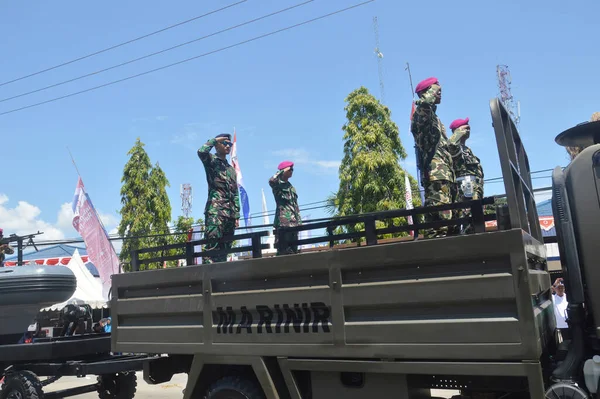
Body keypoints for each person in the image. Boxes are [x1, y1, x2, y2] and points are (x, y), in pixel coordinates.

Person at [410, 77, 457, 238]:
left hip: (445, 176)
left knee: (449, 224)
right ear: (426, 93)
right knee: (440, 226)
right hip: (436, 177)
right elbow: (424, 105)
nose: (439, 92)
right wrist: (431, 91)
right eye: (436, 90)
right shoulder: (421, 114)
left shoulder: (436, 120)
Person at [197, 133, 240, 264]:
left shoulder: (231, 169)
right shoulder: (211, 161)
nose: (228, 146)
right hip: (215, 212)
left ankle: (221, 280)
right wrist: (214, 140)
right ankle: (208, 279)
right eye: (225, 143)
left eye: (230, 144)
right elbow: (201, 151)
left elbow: (235, 193)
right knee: (211, 248)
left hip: (230, 215)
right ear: (217, 146)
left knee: (225, 251)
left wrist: (236, 215)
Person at [448, 117, 484, 234]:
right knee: (466, 225)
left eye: (469, 127)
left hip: (475, 194)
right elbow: (451, 145)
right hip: (464, 194)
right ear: (457, 130)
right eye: (465, 127)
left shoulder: (467, 150)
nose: (468, 129)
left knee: (475, 225)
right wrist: (458, 134)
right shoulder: (456, 148)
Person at [269, 161, 302, 255]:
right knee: (283, 250)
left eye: (292, 169)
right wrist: (280, 172)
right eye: (289, 169)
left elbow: (295, 206)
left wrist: (299, 222)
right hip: (283, 222)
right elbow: (271, 181)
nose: (292, 171)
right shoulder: (277, 185)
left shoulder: (291, 187)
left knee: (293, 250)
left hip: (294, 223)